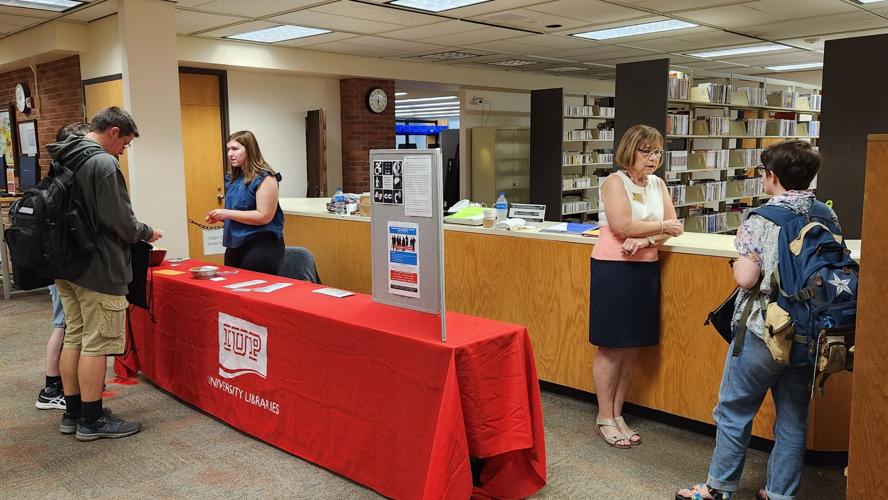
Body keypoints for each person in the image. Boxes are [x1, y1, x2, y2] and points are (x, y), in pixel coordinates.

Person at [676, 140, 829, 500]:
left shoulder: (762, 218)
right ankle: (780, 493)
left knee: (734, 411)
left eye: (763, 171)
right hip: (809, 330)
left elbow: (746, 279)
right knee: (792, 418)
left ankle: (718, 488)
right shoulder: (825, 213)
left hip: (764, 330)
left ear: (772, 175)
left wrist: (739, 264)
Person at [49, 107, 162, 441]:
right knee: (96, 344)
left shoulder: (65, 154)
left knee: (75, 336)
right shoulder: (102, 162)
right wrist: (147, 231)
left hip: (67, 265)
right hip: (98, 267)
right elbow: (121, 222)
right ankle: (93, 420)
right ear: (113, 131)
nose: (123, 151)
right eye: (124, 144)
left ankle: (75, 412)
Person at [589, 124, 683, 448]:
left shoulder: (658, 184)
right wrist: (656, 228)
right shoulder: (615, 182)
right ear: (630, 151)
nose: (653, 158)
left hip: (645, 269)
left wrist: (645, 238)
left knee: (632, 346)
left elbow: (675, 229)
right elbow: (622, 224)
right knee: (612, 346)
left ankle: (618, 414)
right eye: (646, 151)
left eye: (657, 152)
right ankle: (603, 416)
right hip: (614, 269)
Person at [35, 122, 91, 411]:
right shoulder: (66, 179)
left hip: (55, 261)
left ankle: (59, 384)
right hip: (64, 264)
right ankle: (51, 388)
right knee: (64, 325)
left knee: (65, 325)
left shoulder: (54, 175)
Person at [206, 130, 284, 275]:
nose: (230, 154)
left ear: (250, 150)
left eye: (235, 149)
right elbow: (239, 212)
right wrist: (221, 216)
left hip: (260, 245)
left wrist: (227, 213)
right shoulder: (234, 179)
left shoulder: (266, 178)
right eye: (228, 149)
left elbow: (264, 216)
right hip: (234, 244)